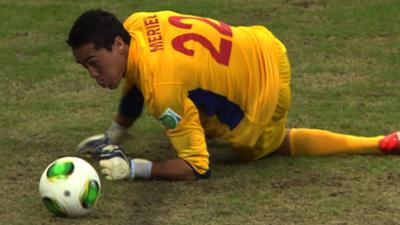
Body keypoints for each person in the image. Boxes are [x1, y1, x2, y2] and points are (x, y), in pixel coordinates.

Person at [67, 9, 399, 181]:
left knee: (266, 145)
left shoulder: (162, 89)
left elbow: (197, 168)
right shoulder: (137, 24)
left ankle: (375, 143)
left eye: (94, 64)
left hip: (263, 94)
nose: (93, 75)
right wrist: (114, 135)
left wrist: (134, 168)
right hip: (263, 45)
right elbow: (136, 80)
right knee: (190, 101)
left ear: (119, 45)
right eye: (86, 67)